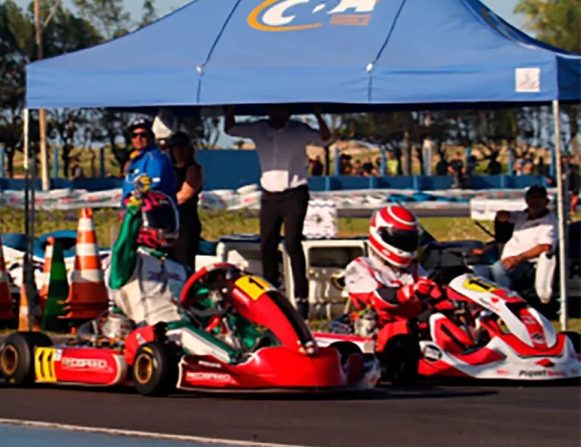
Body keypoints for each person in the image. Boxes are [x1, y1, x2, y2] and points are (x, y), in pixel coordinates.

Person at [107, 183, 261, 364]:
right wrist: (134, 208)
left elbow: (199, 300)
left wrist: (217, 296)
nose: (165, 227)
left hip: (187, 329)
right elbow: (123, 247)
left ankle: (266, 349)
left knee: (229, 315)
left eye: (167, 220)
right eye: (159, 220)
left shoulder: (177, 268)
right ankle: (237, 363)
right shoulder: (130, 264)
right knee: (185, 332)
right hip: (155, 332)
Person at [224, 104, 331, 318]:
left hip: (294, 192)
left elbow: (325, 140)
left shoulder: (298, 130)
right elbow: (230, 130)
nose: (277, 115)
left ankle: (301, 297)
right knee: (267, 244)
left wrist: (318, 115)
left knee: (292, 242)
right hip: (270, 194)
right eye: (273, 111)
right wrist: (230, 108)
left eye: (281, 111)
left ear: (288, 113)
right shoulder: (259, 128)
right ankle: (271, 290)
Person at [343, 205, 452, 335]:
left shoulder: (413, 268)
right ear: (381, 235)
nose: (406, 244)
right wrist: (410, 291)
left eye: (410, 239)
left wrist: (446, 297)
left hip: (415, 328)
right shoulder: (360, 267)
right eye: (401, 239)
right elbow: (374, 298)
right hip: (382, 333)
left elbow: (429, 288)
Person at [471, 185, 557, 290]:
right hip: (506, 260)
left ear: (546, 201)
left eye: (538, 198)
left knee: (499, 269)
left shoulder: (549, 221)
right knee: (478, 270)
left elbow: (545, 247)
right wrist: (502, 217)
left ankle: (506, 299)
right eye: (531, 197)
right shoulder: (523, 216)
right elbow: (503, 216)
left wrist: (518, 258)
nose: (534, 201)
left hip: (526, 263)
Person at [166, 131, 203, 270]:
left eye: (182, 147)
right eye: (175, 147)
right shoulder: (168, 168)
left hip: (186, 220)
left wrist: (163, 202)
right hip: (169, 221)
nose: (178, 151)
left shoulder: (194, 169)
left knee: (184, 261)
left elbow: (185, 195)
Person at [121, 118, 176, 206]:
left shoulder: (155, 159)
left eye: (143, 134)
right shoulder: (135, 160)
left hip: (153, 215)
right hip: (132, 213)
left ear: (151, 136)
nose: (138, 138)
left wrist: (135, 203)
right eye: (134, 135)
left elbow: (154, 191)